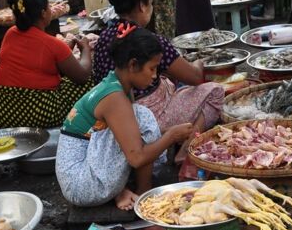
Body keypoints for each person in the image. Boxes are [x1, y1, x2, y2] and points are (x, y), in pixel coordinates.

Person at [56, 26, 193, 210]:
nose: (155, 76)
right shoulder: (115, 97)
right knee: (143, 117)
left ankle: (127, 190)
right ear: (132, 65)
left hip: (83, 173)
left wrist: (169, 132)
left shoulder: (116, 84)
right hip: (81, 185)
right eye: (152, 68)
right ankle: (143, 194)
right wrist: (171, 137)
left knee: (140, 118)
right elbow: (136, 158)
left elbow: (129, 135)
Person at [93, 0, 223, 170]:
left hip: (114, 115)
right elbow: (195, 78)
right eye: (151, 3)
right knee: (215, 91)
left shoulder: (103, 37)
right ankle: (186, 149)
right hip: (148, 114)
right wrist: (199, 62)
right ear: (142, 6)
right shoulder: (149, 41)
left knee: (173, 83)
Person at [0, 0, 92, 127]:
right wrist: (85, 50)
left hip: (6, 111)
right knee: (90, 82)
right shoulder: (52, 44)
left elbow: (34, 63)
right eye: (49, 6)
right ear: (43, 12)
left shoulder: (10, 34)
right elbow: (82, 76)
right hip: (40, 113)